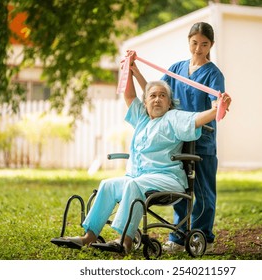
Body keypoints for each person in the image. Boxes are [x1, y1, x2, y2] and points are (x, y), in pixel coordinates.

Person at [51, 53, 222, 254]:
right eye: (152, 96)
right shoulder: (141, 118)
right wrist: (128, 70)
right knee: (108, 185)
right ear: (146, 102)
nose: (157, 99)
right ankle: (89, 236)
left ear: (169, 103)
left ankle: (125, 241)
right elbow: (129, 96)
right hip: (139, 179)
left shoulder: (173, 118)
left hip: (167, 179)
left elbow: (197, 119)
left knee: (133, 184)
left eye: (162, 95)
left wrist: (217, 108)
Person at [130, 22, 228, 253]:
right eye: (195, 43)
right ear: (188, 42)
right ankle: (178, 236)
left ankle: (204, 237)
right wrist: (135, 71)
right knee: (181, 189)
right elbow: (153, 92)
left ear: (211, 45)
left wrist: (220, 105)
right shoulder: (176, 68)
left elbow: (217, 107)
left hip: (202, 142)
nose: (198, 48)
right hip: (177, 139)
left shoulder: (214, 74)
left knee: (202, 192)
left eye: (204, 44)